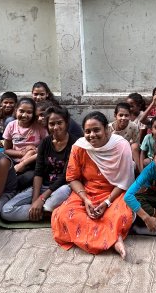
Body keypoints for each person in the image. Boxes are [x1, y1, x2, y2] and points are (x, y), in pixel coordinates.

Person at [51, 111, 135, 259]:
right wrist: (85, 199)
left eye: (96, 130)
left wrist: (107, 202)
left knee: (121, 215)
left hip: (115, 192)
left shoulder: (121, 146)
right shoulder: (79, 147)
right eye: (88, 131)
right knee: (63, 215)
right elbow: (72, 178)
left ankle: (112, 239)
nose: (92, 135)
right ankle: (114, 239)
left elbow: (125, 181)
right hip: (87, 191)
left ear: (107, 129)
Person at [1, 106, 74, 222]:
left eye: (59, 123)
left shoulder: (74, 144)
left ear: (66, 123)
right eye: (51, 124)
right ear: (47, 125)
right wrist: (36, 199)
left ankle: (44, 210)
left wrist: (42, 199)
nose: (55, 127)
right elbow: (38, 172)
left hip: (62, 188)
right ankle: (48, 213)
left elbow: (66, 176)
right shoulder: (45, 143)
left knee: (63, 191)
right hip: (43, 186)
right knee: (6, 211)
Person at [2, 98, 47, 189]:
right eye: (21, 111)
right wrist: (23, 153)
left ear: (33, 113)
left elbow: (46, 146)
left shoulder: (38, 126)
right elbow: (6, 150)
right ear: (16, 111)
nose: (24, 115)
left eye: (29, 112)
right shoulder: (11, 125)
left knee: (27, 178)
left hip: (32, 162)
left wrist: (32, 151)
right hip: (14, 160)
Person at [108, 102, 141, 171]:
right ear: (115, 115)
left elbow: (136, 143)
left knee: (134, 146)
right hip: (113, 153)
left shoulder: (133, 126)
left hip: (127, 152)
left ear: (130, 116)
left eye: (126, 115)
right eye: (120, 115)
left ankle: (140, 171)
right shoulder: (109, 128)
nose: (123, 118)